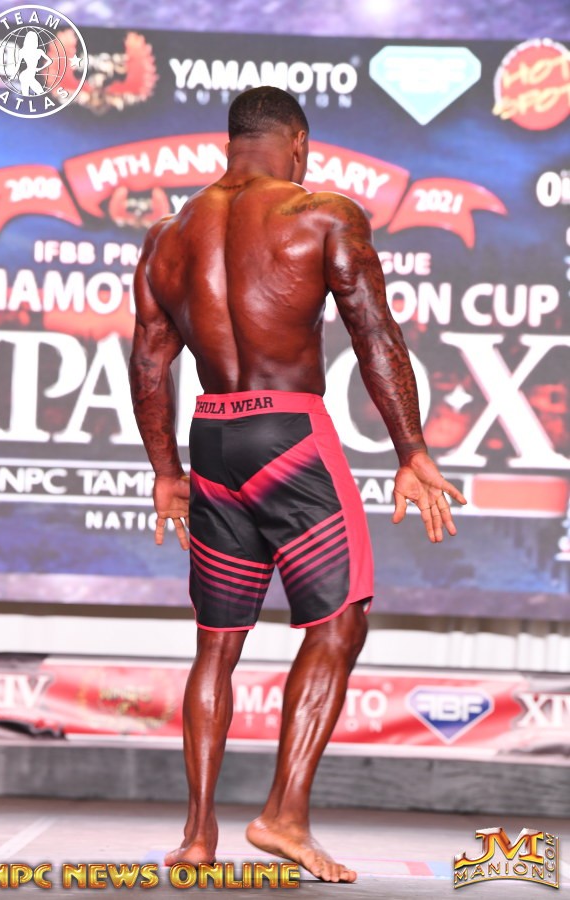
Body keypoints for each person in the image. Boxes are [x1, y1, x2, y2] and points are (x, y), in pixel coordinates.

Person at [129, 86, 466, 884]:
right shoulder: (322, 215)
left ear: (230, 145)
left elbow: (149, 361)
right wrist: (412, 450)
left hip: (213, 438)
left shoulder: (168, 235)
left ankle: (198, 835)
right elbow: (375, 333)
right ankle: (283, 815)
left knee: (216, 644)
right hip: (289, 437)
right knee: (340, 620)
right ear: (300, 146)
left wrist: (168, 473)